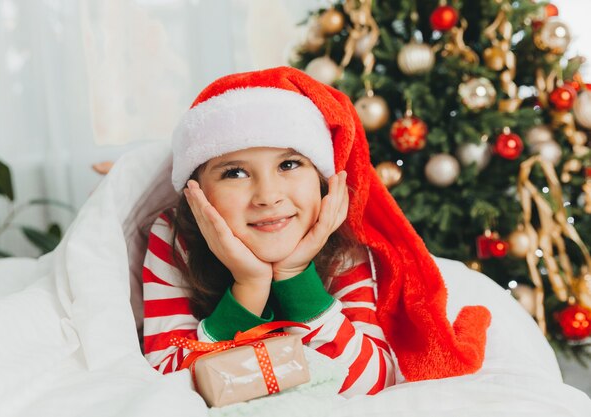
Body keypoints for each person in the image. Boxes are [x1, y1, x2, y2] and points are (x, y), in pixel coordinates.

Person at [142, 66, 491, 397]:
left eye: (289, 164)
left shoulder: (340, 241)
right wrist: (249, 285)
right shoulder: (177, 236)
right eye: (234, 173)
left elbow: (372, 381)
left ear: (324, 181)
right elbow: (168, 382)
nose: (268, 196)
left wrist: (294, 278)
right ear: (196, 191)